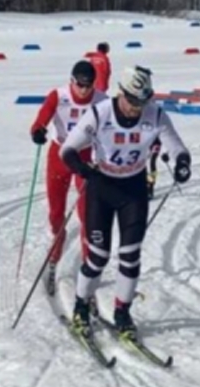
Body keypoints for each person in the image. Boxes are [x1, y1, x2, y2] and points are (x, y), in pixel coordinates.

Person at [61, 66, 190, 341]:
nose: (136, 108)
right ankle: (81, 307)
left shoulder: (155, 114)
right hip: (101, 188)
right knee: (98, 257)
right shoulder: (100, 113)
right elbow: (68, 149)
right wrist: (83, 170)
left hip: (133, 189)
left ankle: (123, 312)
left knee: (130, 255)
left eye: (141, 102)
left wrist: (182, 163)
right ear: (121, 92)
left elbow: (176, 146)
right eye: (132, 101)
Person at [28, 60, 104, 295]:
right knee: (56, 213)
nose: (84, 90)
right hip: (60, 155)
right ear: (72, 81)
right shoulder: (58, 95)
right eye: (80, 85)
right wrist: (38, 131)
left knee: (87, 215)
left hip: (84, 157)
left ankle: (86, 268)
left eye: (88, 85)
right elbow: (41, 119)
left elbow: (111, 128)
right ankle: (55, 254)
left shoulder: (102, 100)